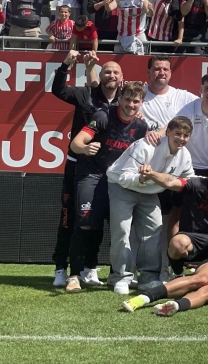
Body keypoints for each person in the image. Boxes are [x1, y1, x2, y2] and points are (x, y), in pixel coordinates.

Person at [65, 82, 149, 293]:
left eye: (136, 101)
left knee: (121, 228)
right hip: (92, 175)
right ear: (119, 99)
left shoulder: (141, 126)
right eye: (127, 100)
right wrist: (85, 148)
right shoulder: (103, 117)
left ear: (142, 103)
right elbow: (75, 143)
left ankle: (118, 275)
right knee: (84, 223)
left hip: (118, 179)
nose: (131, 105)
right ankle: (74, 275)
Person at [48, 52, 122, 287]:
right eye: (107, 72)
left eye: (115, 72)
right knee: (70, 219)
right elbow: (57, 90)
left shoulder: (125, 100)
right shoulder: (85, 93)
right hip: (77, 166)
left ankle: (90, 268)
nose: (111, 75)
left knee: (97, 219)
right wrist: (67, 64)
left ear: (122, 78)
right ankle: (61, 267)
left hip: (106, 169)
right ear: (100, 76)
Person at [105, 116, 195, 294]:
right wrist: (140, 178)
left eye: (186, 135)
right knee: (122, 231)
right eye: (177, 133)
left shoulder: (184, 154)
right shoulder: (145, 146)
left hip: (149, 192)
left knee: (154, 231)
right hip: (122, 187)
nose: (181, 139)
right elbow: (124, 176)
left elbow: (190, 179)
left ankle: (148, 278)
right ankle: (121, 277)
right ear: (167, 132)